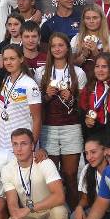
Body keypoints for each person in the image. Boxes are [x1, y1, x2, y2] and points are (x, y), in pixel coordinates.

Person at [3, 127, 69, 219]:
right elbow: (12, 203)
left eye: (24, 144)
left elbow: (60, 196)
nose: (19, 149)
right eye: (15, 144)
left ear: (32, 145)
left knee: (60, 210)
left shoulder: (44, 163)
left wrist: (29, 208)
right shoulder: (8, 169)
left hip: (49, 214)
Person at [39, 32, 87, 209]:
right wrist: (46, 96)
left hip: (71, 127)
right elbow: (37, 104)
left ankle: (74, 215)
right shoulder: (41, 72)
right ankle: (54, 214)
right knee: (51, 176)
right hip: (48, 128)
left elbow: (83, 105)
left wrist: (72, 98)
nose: (57, 49)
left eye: (61, 45)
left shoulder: (79, 72)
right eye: (53, 46)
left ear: (68, 48)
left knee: (70, 174)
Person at [0, 45, 44, 159]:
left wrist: (32, 146)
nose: (8, 62)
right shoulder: (5, 80)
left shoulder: (29, 84)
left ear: (21, 59)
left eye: (12, 59)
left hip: (23, 145)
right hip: (5, 144)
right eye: (5, 59)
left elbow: (37, 119)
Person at [72, 134, 109, 219]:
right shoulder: (88, 170)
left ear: (105, 151)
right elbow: (85, 198)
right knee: (76, 216)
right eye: (86, 153)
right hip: (95, 213)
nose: (89, 157)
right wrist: (79, 207)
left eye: (93, 152)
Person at [80, 53, 110, 135]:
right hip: (94, 130)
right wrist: (86, 119)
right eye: (97, 66)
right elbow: (83, 108)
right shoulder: (90, 87)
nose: (100, 70)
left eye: (104, 67)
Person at [71, 4, 110, 74]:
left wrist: (96, 53)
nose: (91, 21)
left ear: (101, 19)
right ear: (83, 20)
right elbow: (71, 66)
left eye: (95, 18)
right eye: (87, 18)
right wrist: (84, 55)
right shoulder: (76, 39)